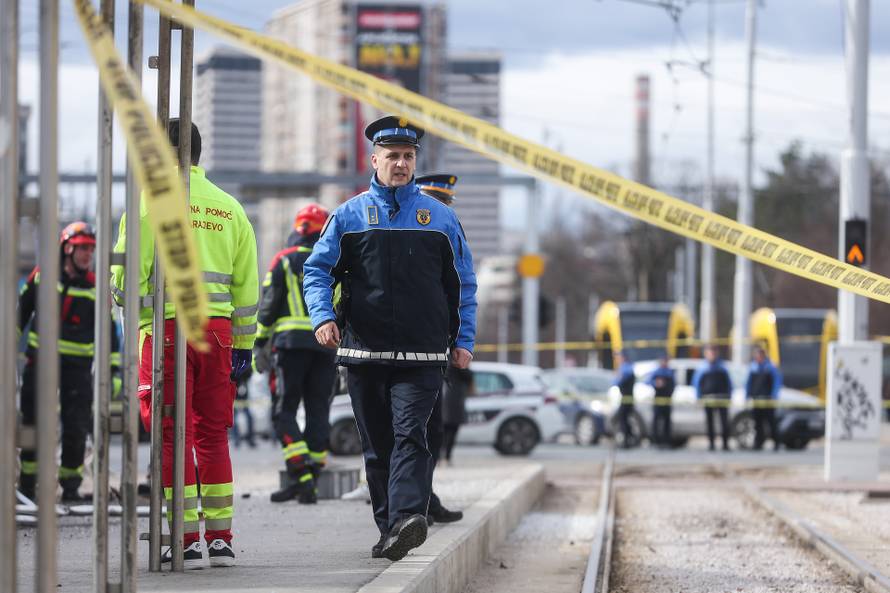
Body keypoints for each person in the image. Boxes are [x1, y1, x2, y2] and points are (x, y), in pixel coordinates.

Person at [303, 116, 477, 562]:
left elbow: (463, 284)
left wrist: (464, 340)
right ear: (374, 159)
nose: (401, 163)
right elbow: (316, 270)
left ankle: (407, 517)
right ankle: (390, 530)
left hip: (423, 354)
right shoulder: (349, 215)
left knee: (410, 435)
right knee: (377, 448)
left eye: (408, 156)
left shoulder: (441, 218)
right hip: (363, 352)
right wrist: (322, 316)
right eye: (393, 156)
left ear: (415, 160)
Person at [112, 120, 258, 569]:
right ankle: (220, 538)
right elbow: (247, 288)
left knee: (171, 436)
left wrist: (123, 296)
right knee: (213, 435)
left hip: (167, 333)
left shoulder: (149, 203)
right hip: (217, 335)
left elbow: (127, 282)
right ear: (196, 152)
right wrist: (244, 344)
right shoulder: (229, 208)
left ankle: (183, 540)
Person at [17, 222, 121, 502]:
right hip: (41, 363)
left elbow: (110, 333)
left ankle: (71, 488)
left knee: (76, 426)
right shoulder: (42, 277)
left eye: (91, 248)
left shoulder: (95, 286)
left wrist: (113, 372)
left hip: (78, 368)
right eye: (83, 248)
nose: (88, 254)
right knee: (34, 423)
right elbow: (20, 315)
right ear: (67, 248)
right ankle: (27, 486)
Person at [255, 203, 337, 504]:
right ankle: (307, 481)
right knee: (319, 411)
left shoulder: (283, 260)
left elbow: (268, 306)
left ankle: (301, 476)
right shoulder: (333, 260)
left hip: (289, 348)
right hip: (325, 346)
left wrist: (258, 344)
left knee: (283, 412)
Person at [416, 173, 465, 525]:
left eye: (446, 203)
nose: (443, 209)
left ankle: (425, 497)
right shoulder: (410, 225)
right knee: (406, 431)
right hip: (403, 346)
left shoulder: (449, 228)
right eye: (438, 201)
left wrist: (459, 338)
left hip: (434, 347)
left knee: (431, 429)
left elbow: (461, 285)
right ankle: (407, 503)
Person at [692, 345, 733, 451]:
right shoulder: (702, 368)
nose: (712, 354)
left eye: (714, 352)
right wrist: (698, 397)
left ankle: (725, 444)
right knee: (710, 423)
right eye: (710, 352)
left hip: (722, 398)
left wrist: (729, 396)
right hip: (708, 399)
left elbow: (729, 383)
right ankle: (711, 444)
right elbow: (696, 384)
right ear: (706, 354)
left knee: (724, 422)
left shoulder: (722, 367)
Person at [746, 346, 783, 451]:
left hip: (768, 400)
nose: (757, 357)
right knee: (757, 423)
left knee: (771, 422)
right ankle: (759, 443)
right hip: (756, 400)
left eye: (759, 355)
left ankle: (776, 443)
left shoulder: (770, 368)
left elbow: (776, 382)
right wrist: (747, 395)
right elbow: (748, 383)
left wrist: (774, 395)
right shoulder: (753, 368)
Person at [648, 356, 675, 448]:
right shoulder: (657, 372)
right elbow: (648, 381)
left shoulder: (669, 372)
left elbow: (673, 385)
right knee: (656, 421)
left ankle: (666, 441)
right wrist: (656, 383)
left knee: (667, 422)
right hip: (658, 400)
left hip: (667, 400)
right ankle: (656, 441)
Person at [613, 351, 636, 448]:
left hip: (626, 398)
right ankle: (630, 437)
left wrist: (617, 375)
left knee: (622, 419)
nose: (617, 359)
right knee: (624, 419)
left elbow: (617, 382)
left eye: (619, 357)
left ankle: (628, 440)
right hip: (627, 398)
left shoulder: (625, 368)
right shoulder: (628, 368)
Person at [230, 368, 256, 449]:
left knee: (249, 418)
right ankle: (236, 439)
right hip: (234, 395)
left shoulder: (245, 363)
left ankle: (250, 439)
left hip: (244, 396)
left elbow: (250, 372)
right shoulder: (231, 363)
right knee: (233, 419)